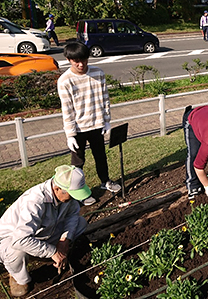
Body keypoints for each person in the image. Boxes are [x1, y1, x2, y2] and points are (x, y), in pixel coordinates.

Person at [0, 165, 91, 297]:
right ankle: (16, 275)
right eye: (72, 195)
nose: (74, 199)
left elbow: (72, 215)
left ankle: (50, 255)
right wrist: (53, 251)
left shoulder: (66, 196)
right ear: (57, 188)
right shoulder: (34, 201)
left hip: (40, 234)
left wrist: (65, 240)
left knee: (80, 223)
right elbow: (20, 239)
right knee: (17, 252)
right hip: (12, 240)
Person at [57, 42, 121, 199]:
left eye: (84, 60)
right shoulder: (65, 81)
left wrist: (106, 120)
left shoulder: (98, 73)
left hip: (97, 125)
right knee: (78, 163)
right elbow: (67, 109)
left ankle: (105, 181)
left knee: (101, 156)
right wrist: (70, 134)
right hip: (78, 128)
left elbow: (105, 99)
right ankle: (78, 192)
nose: (81, 64)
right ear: (68, 59)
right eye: (76, 61)